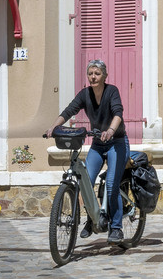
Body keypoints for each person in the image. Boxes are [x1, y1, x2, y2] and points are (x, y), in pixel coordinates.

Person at [48, 60, 131, 243]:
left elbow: (118, 113)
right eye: (90, 73)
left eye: (97, 73)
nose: (93, 77)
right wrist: (54, 127)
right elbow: (69, 111)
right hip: (98, 144)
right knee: (85, 182)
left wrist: (110, 130)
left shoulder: (112, 91)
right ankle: (93, 219)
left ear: (105, 76)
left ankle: (116, 227)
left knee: (112, 185)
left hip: (116, 142)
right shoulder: (85, 94)